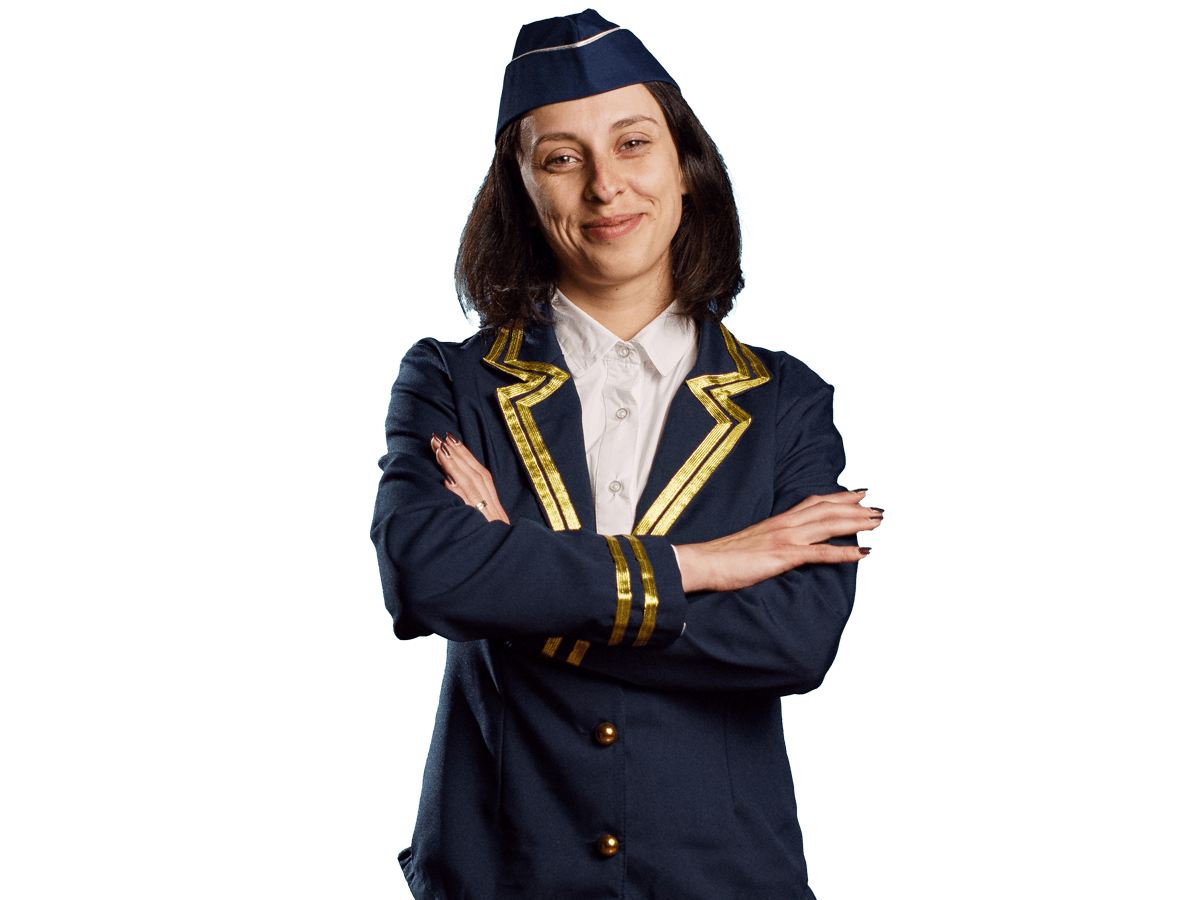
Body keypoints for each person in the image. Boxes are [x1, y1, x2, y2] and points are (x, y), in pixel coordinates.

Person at [371, 10, 881, 899]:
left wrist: (521, 589)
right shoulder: (451, 380)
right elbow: (423, 575)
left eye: (634, 143)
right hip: (495, 877)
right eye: (563, 158)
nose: (607, 188)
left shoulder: (787, 396)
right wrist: (704, 565)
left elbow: (797, 643)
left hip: (723, 882)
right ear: (522, 191)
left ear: (686, 169)